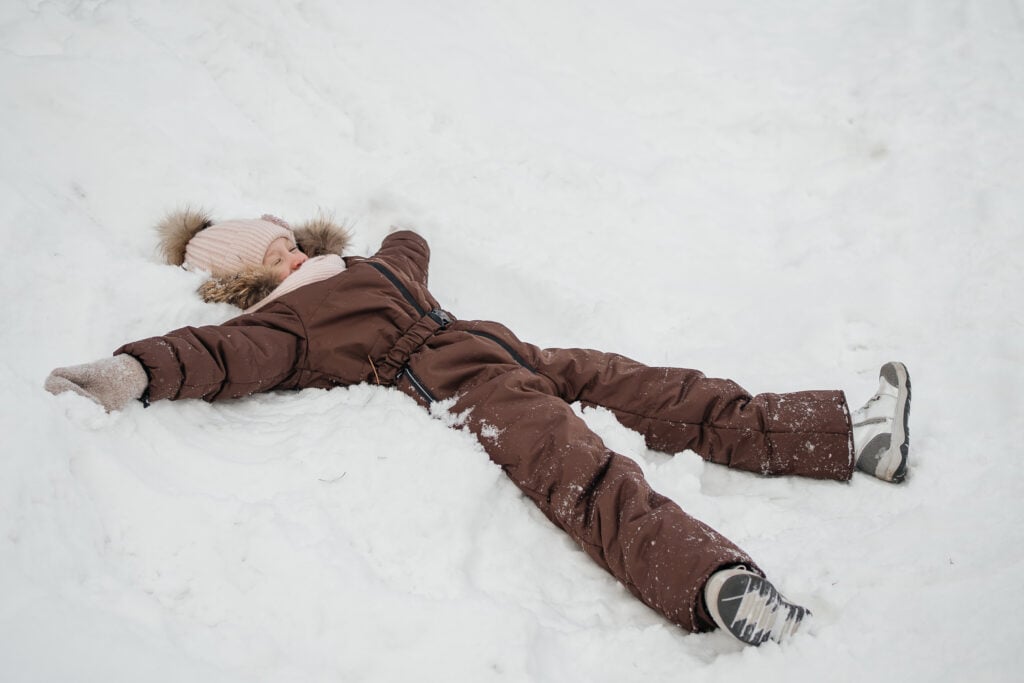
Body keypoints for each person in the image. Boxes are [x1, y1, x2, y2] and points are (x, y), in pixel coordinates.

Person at [44, 210, 912, 647]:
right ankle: (719, 585)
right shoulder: (283, 326)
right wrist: (129, 370)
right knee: (588, 475)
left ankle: (849, 435)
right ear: (244, 283)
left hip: (511, 350)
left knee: (666, 391)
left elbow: (409, 246)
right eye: (266, 257)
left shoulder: (365, 265)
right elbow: (209, 357)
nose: (286, 253)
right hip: (464, 385)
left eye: (283, 237)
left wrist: (388, 237)